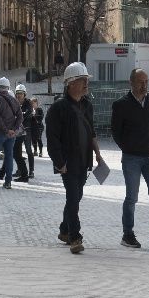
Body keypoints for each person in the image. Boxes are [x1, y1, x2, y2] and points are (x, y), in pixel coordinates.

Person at [45, 61, 106, 253]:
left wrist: (97, 155)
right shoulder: (58, 108)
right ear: (70, 83)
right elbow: (52, 139)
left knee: (76, 196)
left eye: (87, 80)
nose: (86, 83)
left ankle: (64, 230)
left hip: (84, 161)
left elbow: (92, 133)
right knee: (73, 197)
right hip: (67, 163)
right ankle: (75, 237)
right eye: (82, 80)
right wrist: (59, 162)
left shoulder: (87, 105)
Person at [110, 68, 149, 248]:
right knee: (131, 198)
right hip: (131, 159)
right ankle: (128, 235)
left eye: (146, 82)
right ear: (131, 82)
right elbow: (116, 132)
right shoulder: (121, 105)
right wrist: (129, 147)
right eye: (140, 82)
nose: (144, 85)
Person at [0, 77, 23, 189]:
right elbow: (20, 116)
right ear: (8, 87)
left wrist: (6, 130)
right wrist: (14, 129)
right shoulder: (15, 100)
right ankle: (8, 182)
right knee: (9, 156)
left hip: (0, 133)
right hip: (11, 134)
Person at [11, 83, 33, 182]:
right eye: (17, 93)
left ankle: (31, 171)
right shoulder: (15, 103)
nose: (19, 95)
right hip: (18, 131)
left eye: (21, 93)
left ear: (24, 94)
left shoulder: (28, 103)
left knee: (28, 150)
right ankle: (20, 170)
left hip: (26, 130)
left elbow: (26, 114)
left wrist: (19, 116)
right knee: (17, 151)